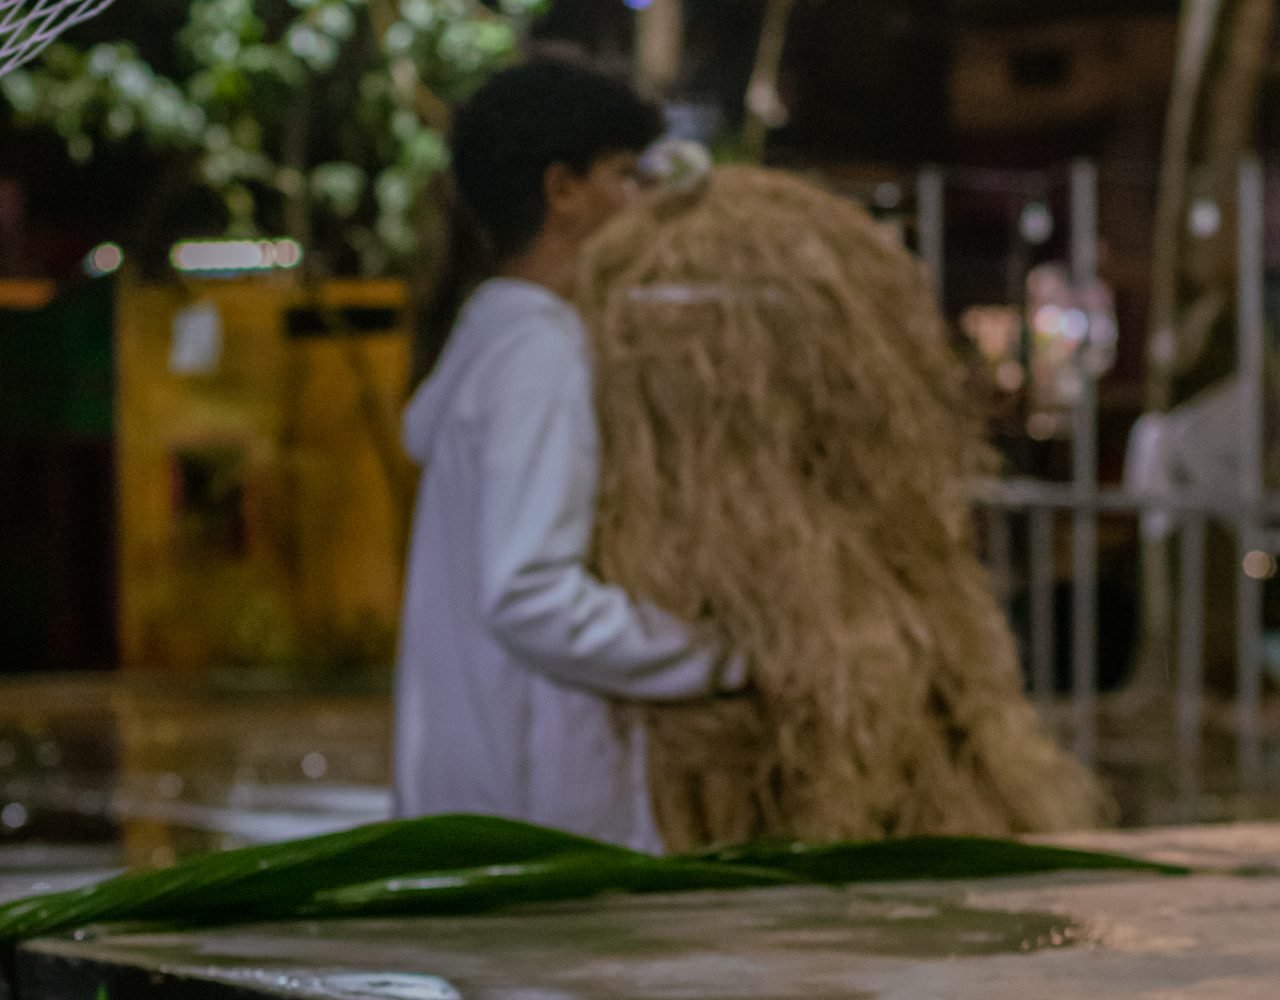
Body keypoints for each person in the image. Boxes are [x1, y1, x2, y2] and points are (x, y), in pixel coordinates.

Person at [393, 60, 746, 852]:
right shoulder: (540, 356)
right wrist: (718, 654)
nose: (643, 200)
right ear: (563, 189)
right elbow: (530, 594)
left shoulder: (490, 346)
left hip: (480, 799)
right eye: (625, 174)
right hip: (536, 813)